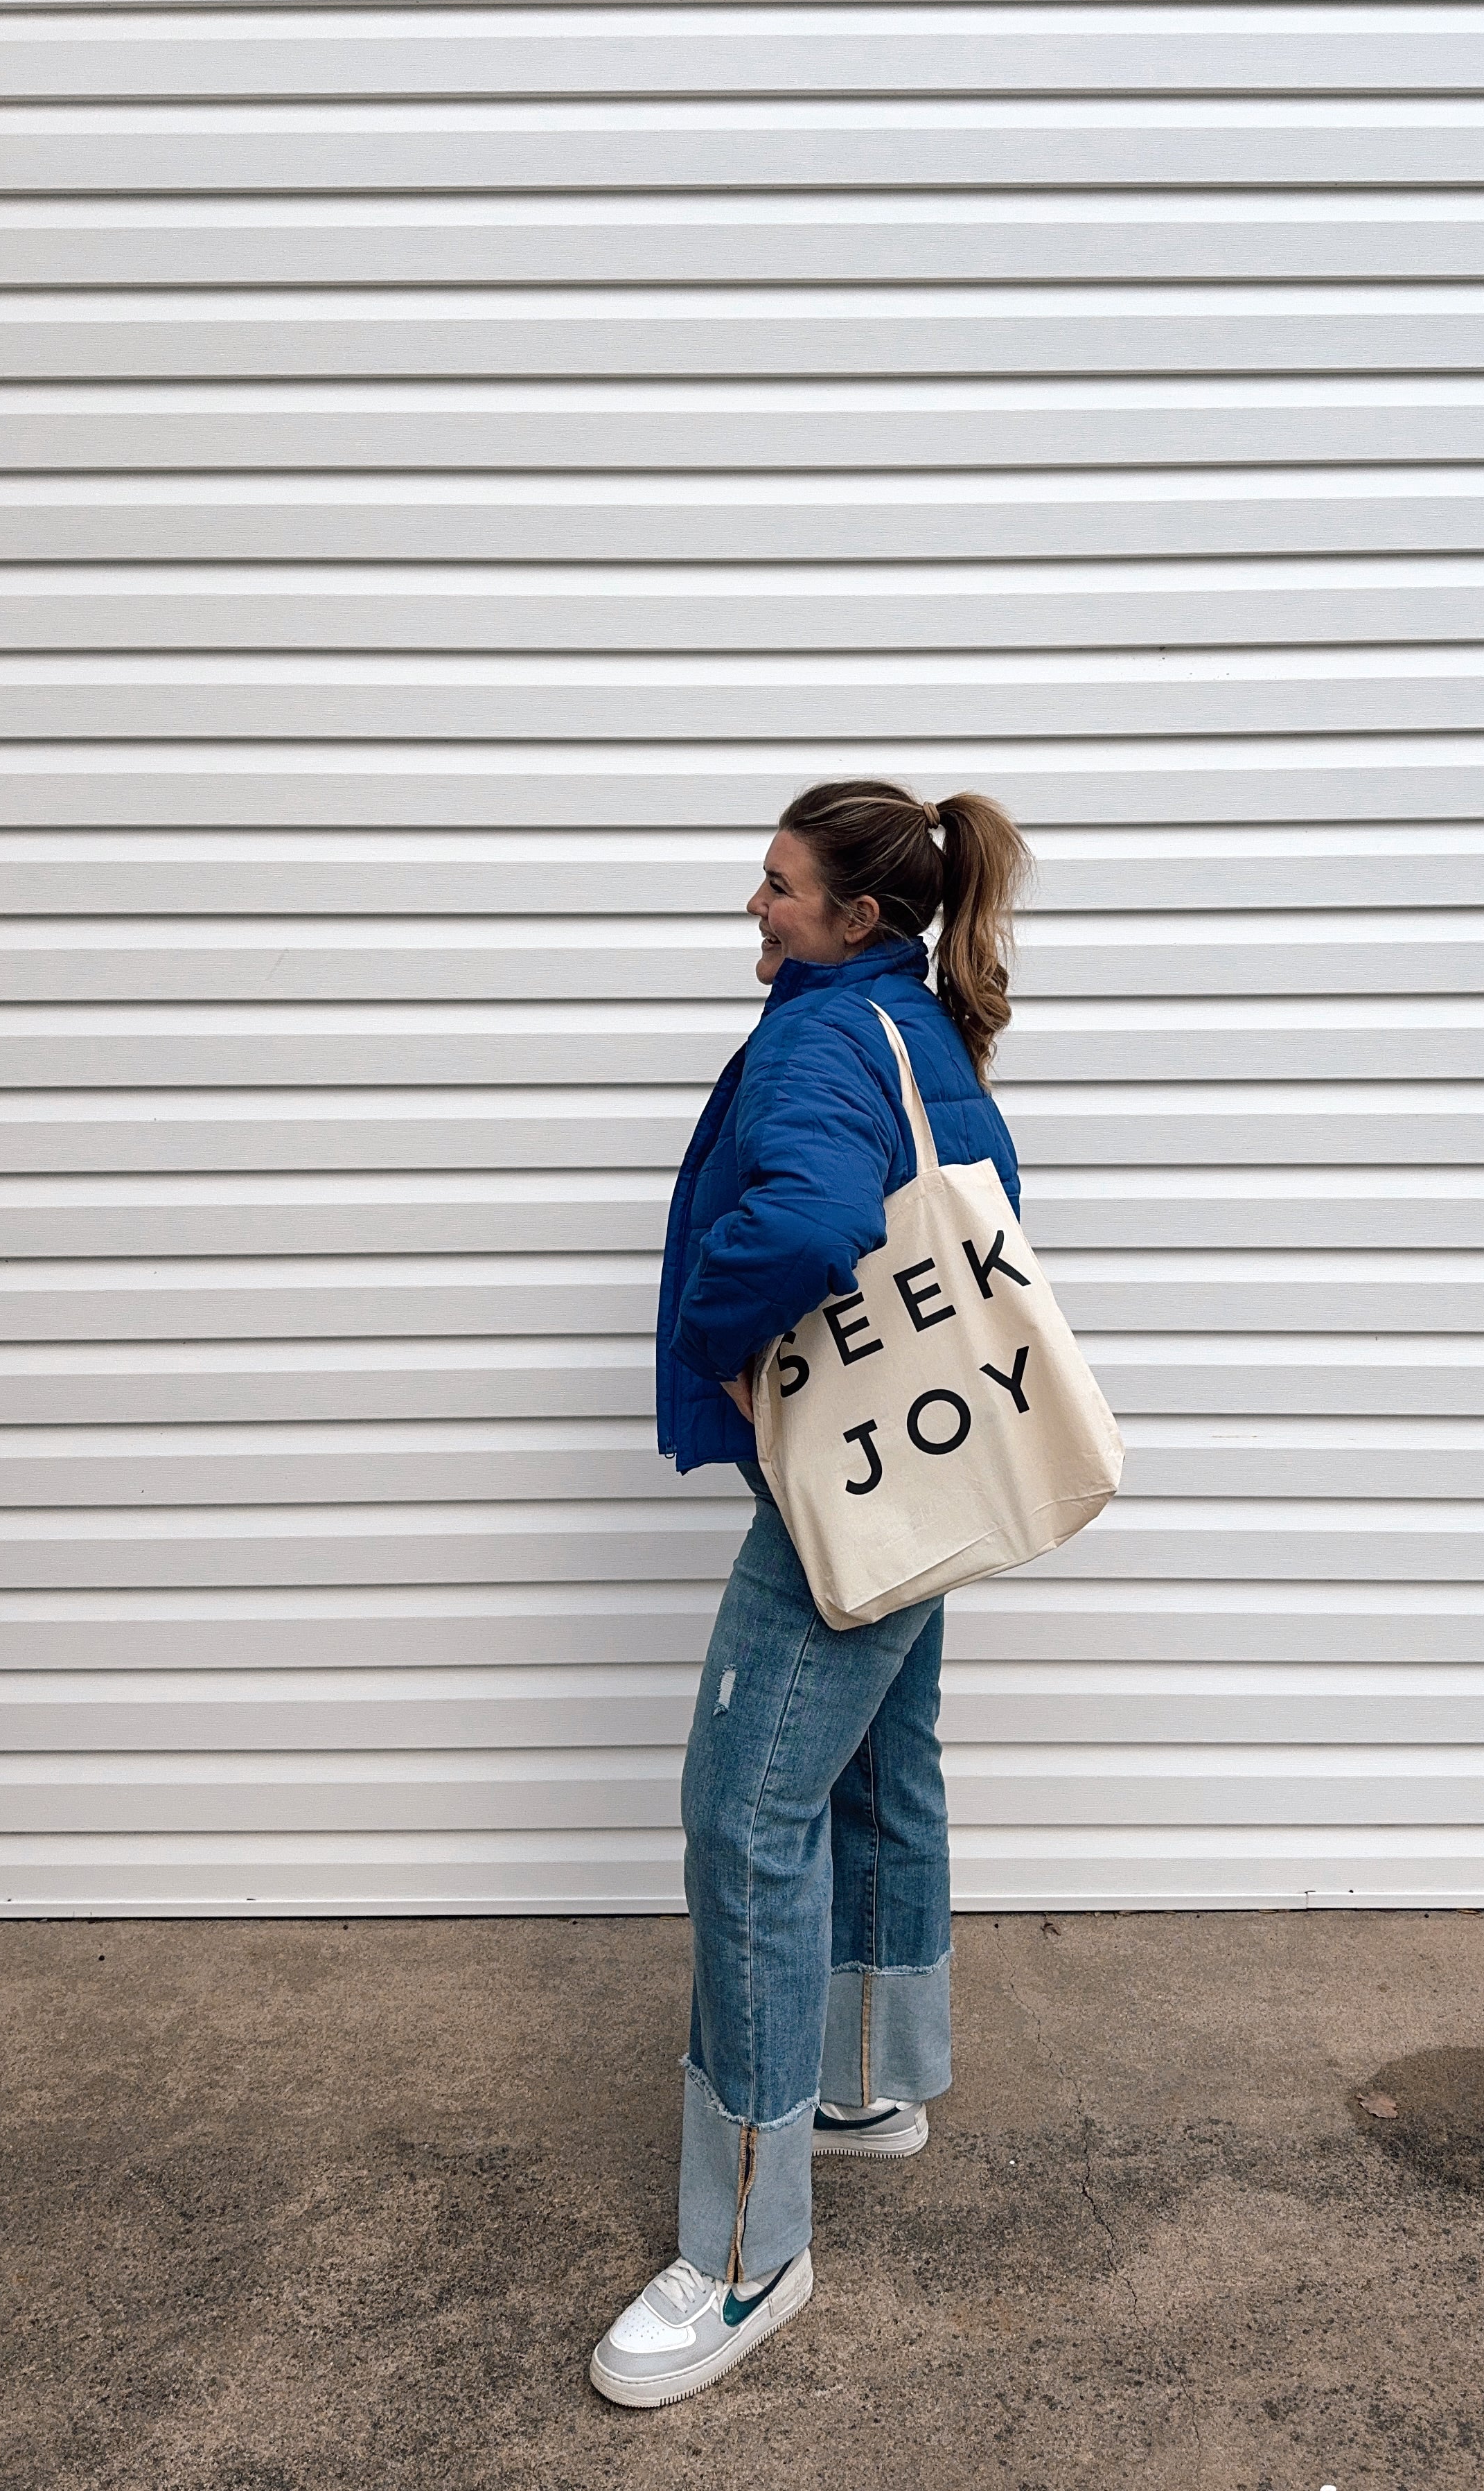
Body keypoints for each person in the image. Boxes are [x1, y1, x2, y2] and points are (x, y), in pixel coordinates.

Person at [590, 777, 1034, 2409]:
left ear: (855, 916)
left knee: (745, 1816)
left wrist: (718, 1335)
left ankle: (744, 2253)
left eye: (778, 888)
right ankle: (868, 2083)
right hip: (930, 1471)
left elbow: (819, 1218)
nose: (753, 910)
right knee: (878, 1761)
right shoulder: (918, 1026)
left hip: (844, 1482)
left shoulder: (816, 1038)